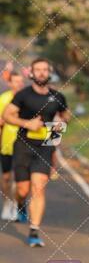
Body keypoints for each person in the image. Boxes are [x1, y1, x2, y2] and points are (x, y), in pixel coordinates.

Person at [2, 58, 70, 247]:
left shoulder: (58, 97)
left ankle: (34, 231)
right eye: (37, 70)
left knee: (38, 186)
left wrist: (60, 126)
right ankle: (21, 205)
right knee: (23, 190)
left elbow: (66, 117)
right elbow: (7, 115)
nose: (41, 73)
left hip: (45, 147)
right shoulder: (23, 95)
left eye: (44, 70)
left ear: (49, 73)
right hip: (23, 145)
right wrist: (27, 123)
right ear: (31, 73)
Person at [0, 71, 24, 220]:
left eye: (21, 81)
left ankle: (16, 204)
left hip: (23, 143)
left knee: (18, 178)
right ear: (10, 83)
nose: (19, 84)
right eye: (16, 81)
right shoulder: (3, 99)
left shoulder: (27, 98)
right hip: (6, 144)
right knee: (6, 177)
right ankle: (7, 203)